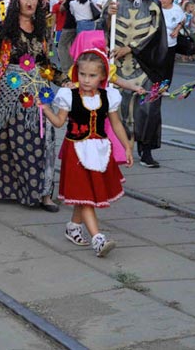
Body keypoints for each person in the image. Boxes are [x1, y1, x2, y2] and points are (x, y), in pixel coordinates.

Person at [0, 0, 69, 211]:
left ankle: (43, 193)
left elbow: (46, 64)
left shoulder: (43, 29)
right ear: (16, 1)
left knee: (41, 141)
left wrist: (65, 80)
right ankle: (3, 190)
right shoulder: (2, 28)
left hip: (37, 91)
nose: (29, 1)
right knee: (3, 142)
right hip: (7, 93)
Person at [40, 49, 133, 257]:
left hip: (100, 151)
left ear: (102, 77)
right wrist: (46, 109)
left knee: (85, 194)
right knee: (85, 195)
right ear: (76, 73)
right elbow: (59, 122)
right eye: (82, 74)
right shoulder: (69, 96)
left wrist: (126, 146)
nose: (86, 80)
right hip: (76, 152)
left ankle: (73, 226)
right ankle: (98, 239)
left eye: (92, 76)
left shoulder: (109, 96)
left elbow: (116, 124)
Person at [105, 0, 168, 168]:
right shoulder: (116, 0)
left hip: (144, 64)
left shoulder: (153, 4)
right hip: (119, 66)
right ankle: (120, 147)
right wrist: (107, 16)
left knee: (147, 108)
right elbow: (103, 29)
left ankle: (146, 150)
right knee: (118, 106)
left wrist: (131, 47)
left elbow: (156, 34)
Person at [159, 0, 186, 84]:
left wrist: (177, 30)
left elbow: (182, 20)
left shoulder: (176, 9)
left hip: (170, 41)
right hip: (157, 41)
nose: (161, 0)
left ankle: (165, 86)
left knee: (168, 65)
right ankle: (154, 85)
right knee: (157, 64)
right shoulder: (156, 7)